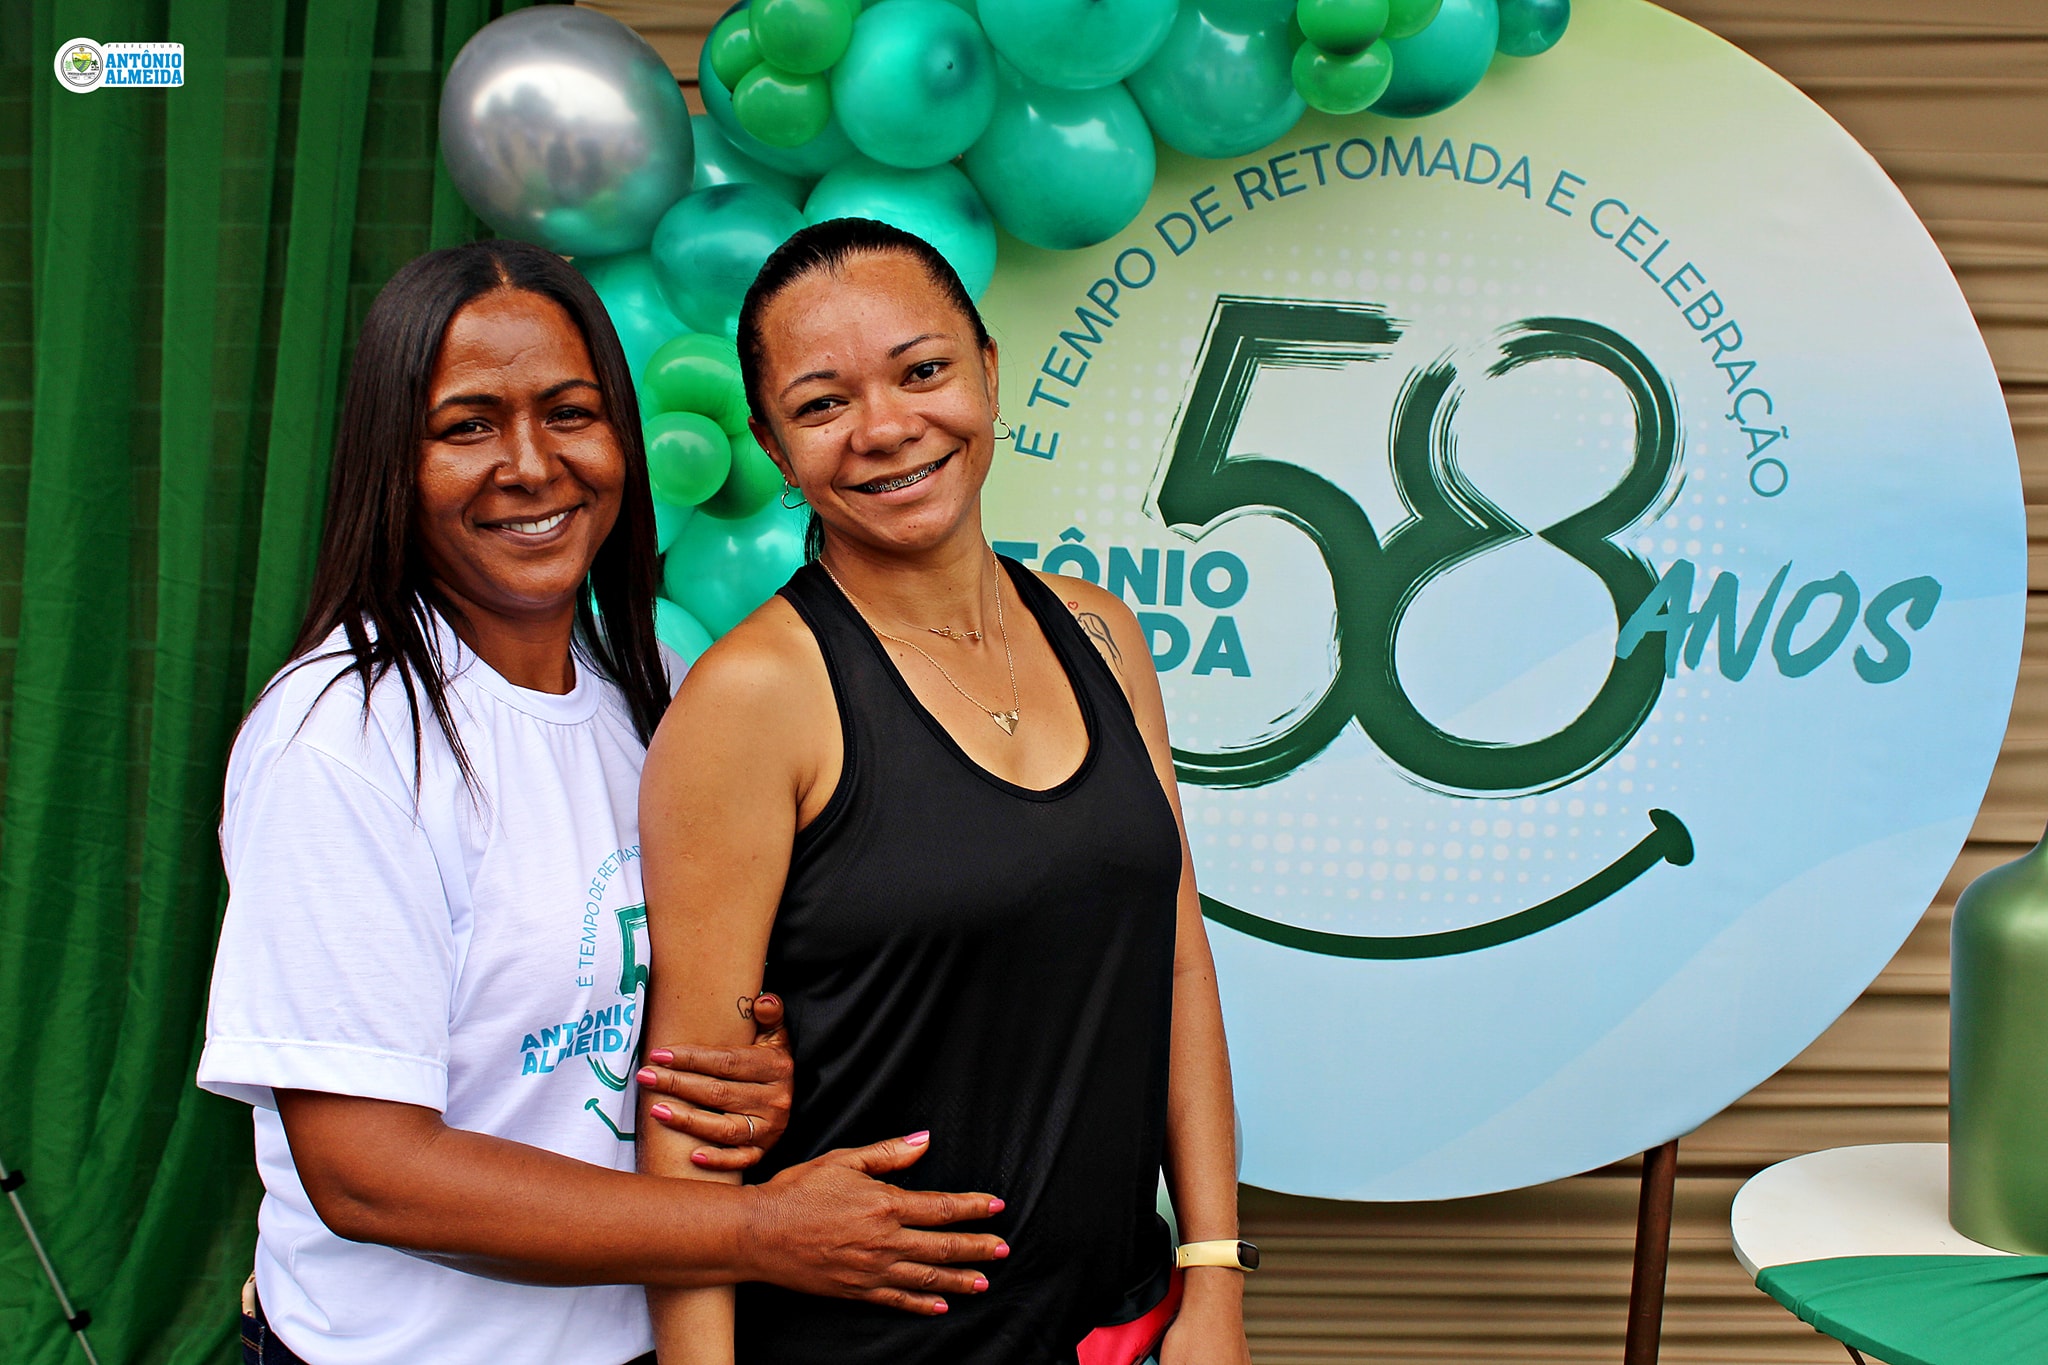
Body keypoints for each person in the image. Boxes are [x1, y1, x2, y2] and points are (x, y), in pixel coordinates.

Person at [197, 239, 1006, 1365]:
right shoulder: (343, 741)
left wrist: (759, 1074)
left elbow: (670, 1030)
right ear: (392, 459)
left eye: (570, 413)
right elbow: (367, 1173)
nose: (532, 465)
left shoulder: (656, 690)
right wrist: (758, 1233)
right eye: (468, 426)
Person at [637, 218, 1252, 1364]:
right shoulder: (753, 698)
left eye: (921, 371)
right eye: (822, 404)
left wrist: (1211, 1270)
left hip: (1114, 1329)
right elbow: (692, 1129)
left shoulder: (1100, 635)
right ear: (773, 449)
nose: (884, 428)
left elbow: (1174, 964)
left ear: (987, 373)